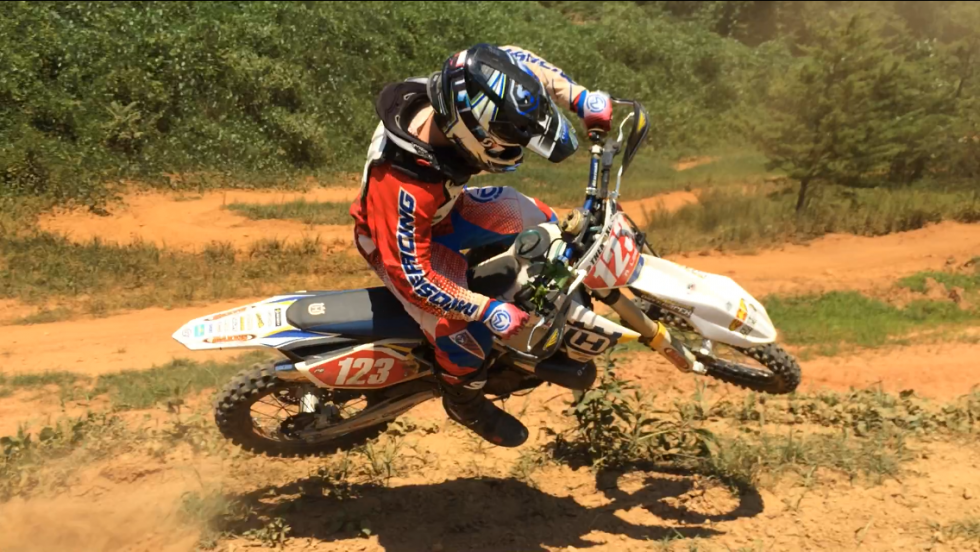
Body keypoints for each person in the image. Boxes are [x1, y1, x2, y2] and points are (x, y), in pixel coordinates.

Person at [350, 44, 685, 448]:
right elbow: (414, 278)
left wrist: (579, 98)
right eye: (506, 139)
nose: (513, 148)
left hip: (445, 210)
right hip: (397, 244)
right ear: (470, 133)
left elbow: (518, 64)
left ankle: (510, 289)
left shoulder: (465, 84)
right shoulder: (402, 186)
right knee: (464, 336)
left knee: (540, 218)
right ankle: (464, 401)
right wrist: (485, 310)